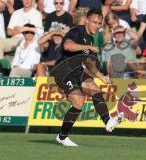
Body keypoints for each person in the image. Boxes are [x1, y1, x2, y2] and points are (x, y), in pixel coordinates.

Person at [51, 9, 124, 147]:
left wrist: (102, 77)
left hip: (77, 71)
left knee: (94, 88)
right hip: (63, 71)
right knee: (78, 103)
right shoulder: (76, 31)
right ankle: (62, 136)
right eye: (95, 22)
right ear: (87, 20)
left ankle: (107, 121)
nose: (97, 26)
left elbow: (88, 63)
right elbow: (67, 46)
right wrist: (87, 47)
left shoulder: (90, 38)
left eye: (99, 24)